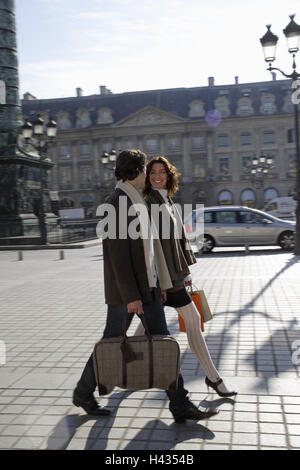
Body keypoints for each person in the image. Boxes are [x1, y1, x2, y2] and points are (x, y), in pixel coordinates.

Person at [73, 149, 218, 423]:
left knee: (162, 343)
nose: (148, 176)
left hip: (148, 288)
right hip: (127, 294)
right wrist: (130, 297)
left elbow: (148, 251)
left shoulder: (136, 199)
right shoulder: (117, 203)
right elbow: (117, 257)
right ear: (137, 172)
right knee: (111, 342)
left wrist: (160, 283)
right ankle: (83, 392)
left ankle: (179, 404)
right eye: (145, 171)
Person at [135, 156, 237, 398]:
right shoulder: (149, 202)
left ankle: (119, 368)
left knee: (145, 329)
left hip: (173, 277)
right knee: (192, 321)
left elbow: (176, 242)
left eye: (162, 172)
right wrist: (158, 282)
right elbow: (152, 247)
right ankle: (214, 379)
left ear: (169, 175)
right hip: (164, 280)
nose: (157, 176)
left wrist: (185, 272)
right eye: (153, 173)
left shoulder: (166, 199)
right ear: (147, 177)